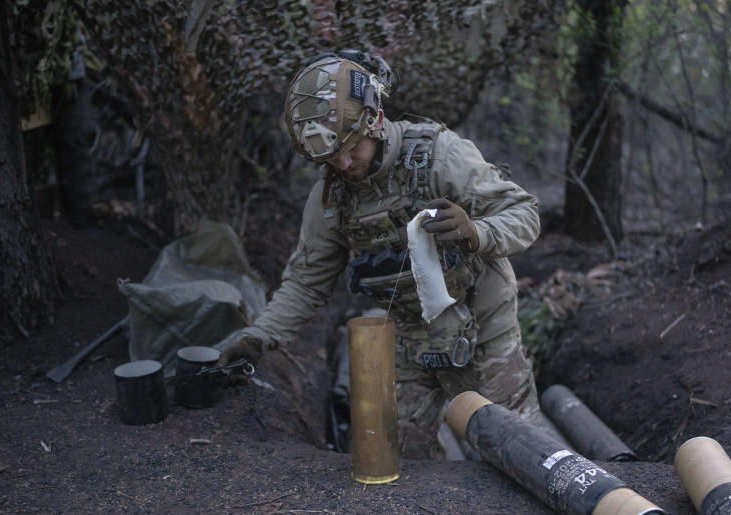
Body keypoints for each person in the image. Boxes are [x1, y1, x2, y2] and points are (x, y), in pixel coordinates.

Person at [218, 49, 542, 458]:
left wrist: (476, 232)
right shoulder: (330, 199)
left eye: (351, 147)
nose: (344, 162)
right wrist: (257, 338)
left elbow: (524, 213)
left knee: (519, 455)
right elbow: (305, 282)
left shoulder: (440, 155)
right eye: (329, 158)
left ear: (377, 121)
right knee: (396, 460)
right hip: (410, 338)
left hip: (484, 329)